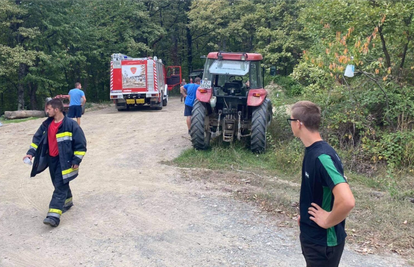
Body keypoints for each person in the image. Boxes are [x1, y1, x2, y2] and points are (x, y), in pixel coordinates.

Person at [289, 101, 355, 267]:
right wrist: (305, 215)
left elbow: (347, 201)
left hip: (323, 243)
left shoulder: (323, 157)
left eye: (290, 121)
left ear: (299, 123)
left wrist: (328, 220)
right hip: (313, 238)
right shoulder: (312, 150)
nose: (291, 124)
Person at [23, 98, 87, 227]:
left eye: (49, 109)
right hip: (51, 160)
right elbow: (37, 139)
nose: (47, 111)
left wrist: (76, 160)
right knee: (59, 183)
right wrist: (30, 153)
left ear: (56, 109)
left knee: (59, 185)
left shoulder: (71, 125)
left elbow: (81, 145)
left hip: (65, 161)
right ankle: (67, 201)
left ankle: (53, 216)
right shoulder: (47, 124)